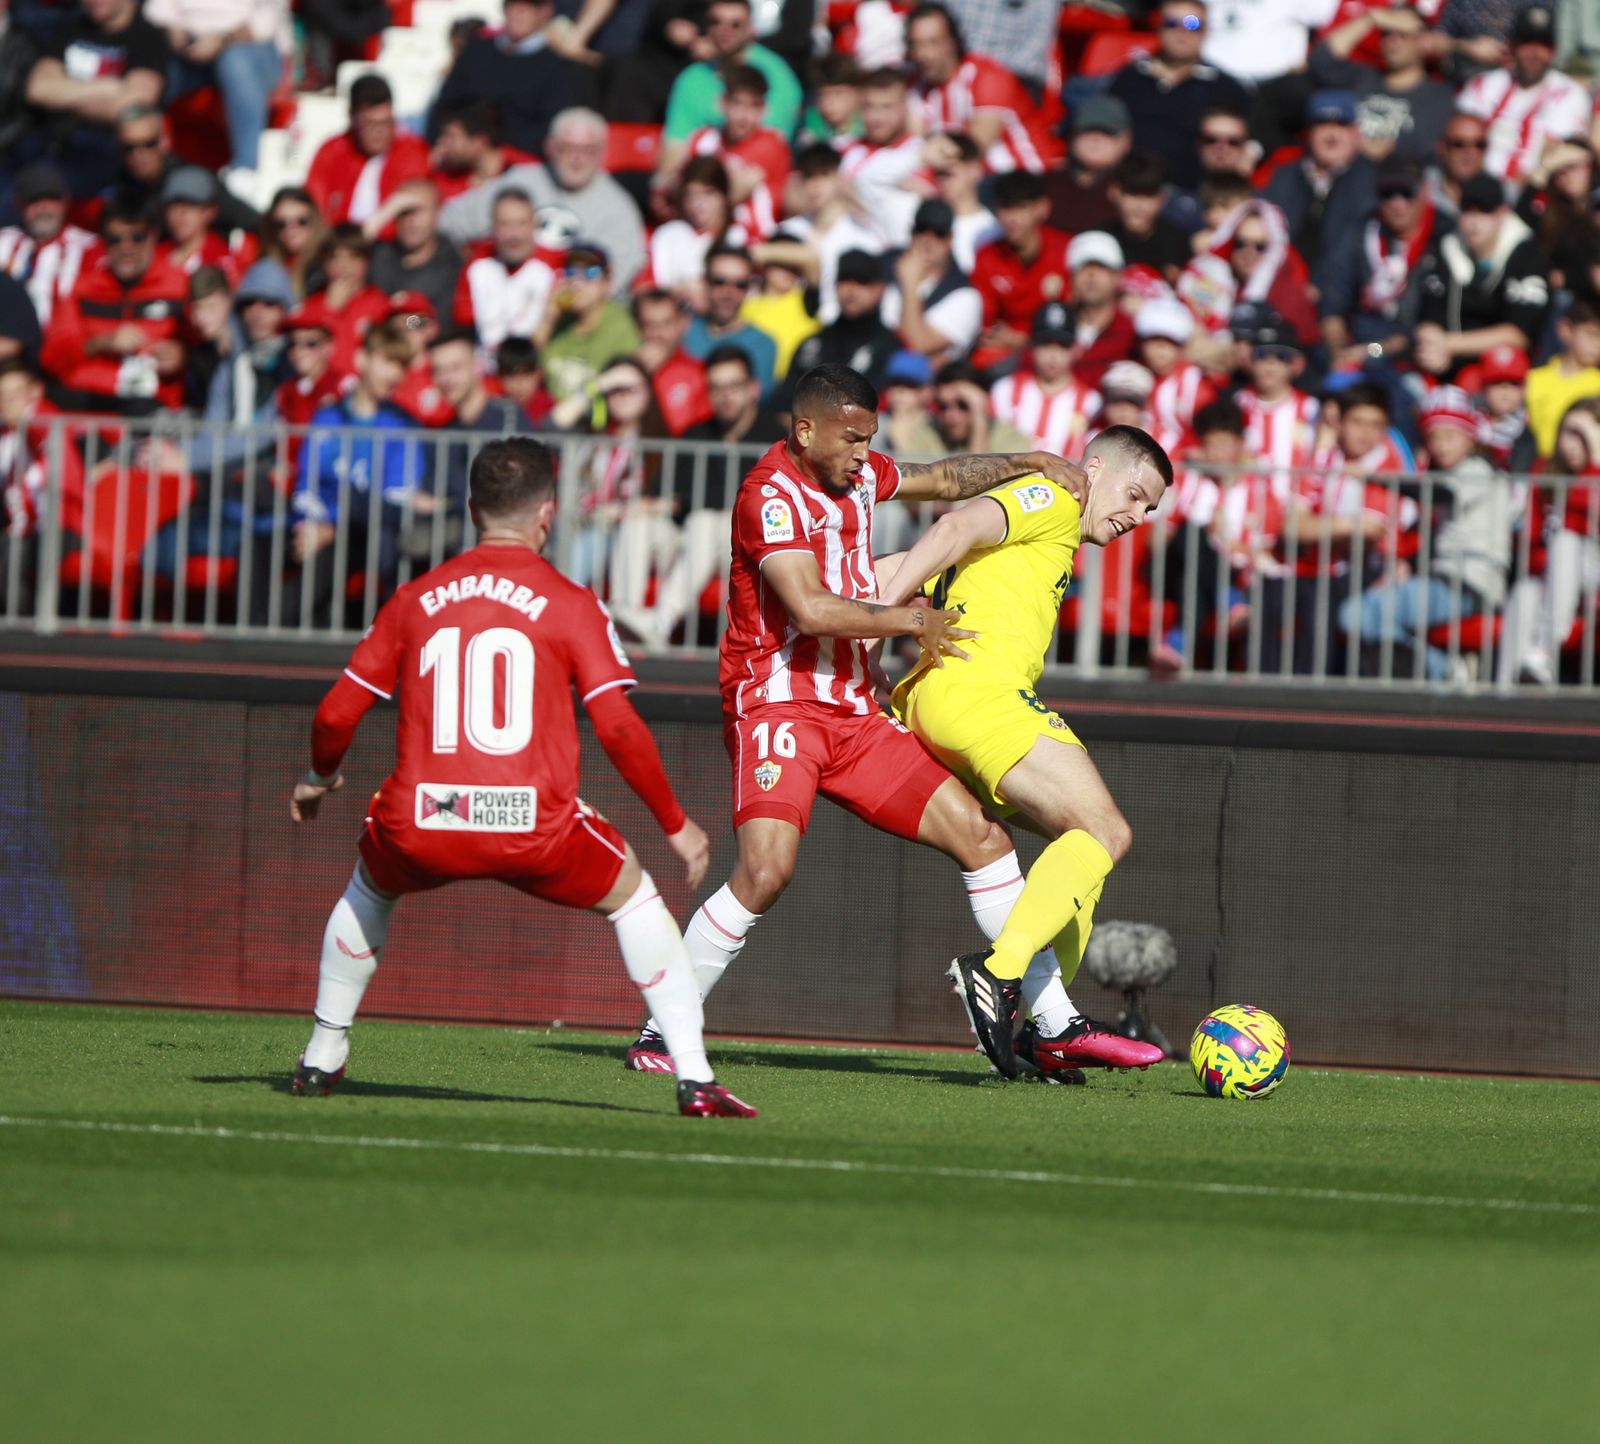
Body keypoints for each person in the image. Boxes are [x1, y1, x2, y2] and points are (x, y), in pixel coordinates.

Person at [623, 363, 1116, 1080]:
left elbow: (942, 480)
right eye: (852, 440)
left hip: (854, 711)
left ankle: (1052, 1023)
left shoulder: (854, 473)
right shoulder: (769, 496)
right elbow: (811, 609)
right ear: (804, 429)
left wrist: (1026, 461)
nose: (864, 454)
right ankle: (662, 1030)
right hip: (778, 701)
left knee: (982, 837)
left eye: (870, 440)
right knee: (765, 871)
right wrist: (912, 619)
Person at [287, 436, 755, 1118]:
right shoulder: (569, 602)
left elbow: (336, 712)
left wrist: (316, 777)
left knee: (370, 883)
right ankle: (693, 1074)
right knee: (634, 899)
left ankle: (322, 1052)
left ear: (473, 508)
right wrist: (676, 825)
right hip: (530, 823)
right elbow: (619, 728)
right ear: (548, 514)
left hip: (428, 817)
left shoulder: (416, 598)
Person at [877, 425, 1172, 1079]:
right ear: (1092, 467)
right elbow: (955, 527)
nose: (1138, 516)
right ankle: (998, 974)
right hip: (978, 697)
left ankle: (1050, 1027)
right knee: (1107, 829)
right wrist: (882, 620)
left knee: (1085, 851)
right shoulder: (1057, 495)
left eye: (1151, 509)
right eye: (1134, 494)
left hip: (944, 701)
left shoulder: (1057, 532)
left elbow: (915, 563)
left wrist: (877, 612)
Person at [1338, 386, 1510, 682]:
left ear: (1470, 437)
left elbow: (1440, 495)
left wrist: (1375, 478)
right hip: (1441, 579)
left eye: (1450, 436)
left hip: (1468, 583)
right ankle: (1448, 667)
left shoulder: (1478, 468)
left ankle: (1446, 669)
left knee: (1358, 615)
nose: (1441, 445)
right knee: (1359, 617)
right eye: (1434, 437)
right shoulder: (1446, 473)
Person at [437, 108, 646, 296]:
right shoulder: (521, 180)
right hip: (506, 298)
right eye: (568, 148)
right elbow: (450, 222)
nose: (577, 158)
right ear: (550, 147)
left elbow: (614, 281)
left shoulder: (618, 207)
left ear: (602, 153)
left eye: (588, 150)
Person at [41, 192, 187, 416]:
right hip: (89, 410)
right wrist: (100, 343)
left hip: (152, 412)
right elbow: (52, 359)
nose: (125, 248)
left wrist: (182, 357)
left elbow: (205, 353)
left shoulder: (180, 286)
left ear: (153, 236)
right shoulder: (82, 289)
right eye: (115, 239)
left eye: (136, 237)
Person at [1412, 174, 1550, 382]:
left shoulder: (1527, 253)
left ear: (1502, 213)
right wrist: (1433, 348)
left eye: (1485, 212)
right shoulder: (1448, 248)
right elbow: (1428, 316)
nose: (1474, 222)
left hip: (1504, 375)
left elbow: (1518, 334)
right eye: (1467, 211)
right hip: (1444, 362)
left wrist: (1448, 345)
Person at [25, 0, 168, 199]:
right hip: (55, 142)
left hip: (110, 150)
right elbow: (37, 89)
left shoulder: (147, 35)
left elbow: (133, 108)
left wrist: (63, 94)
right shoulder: (72, 25)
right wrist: (108, 87)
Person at [1107, 0, 1251, 193]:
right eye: (1172, 23)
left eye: (1193, 24)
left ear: (1206, 32)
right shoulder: (1130, 77)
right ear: (1158, 27)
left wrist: (1250, 153)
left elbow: (1261, 132)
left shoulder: (1225, 88)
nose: (1182, 32)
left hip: (1194, 196)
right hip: (1130, 191)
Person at [904, 1, 1057, 174]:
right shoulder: (916, 85)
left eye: (933, 43)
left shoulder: (988, 77)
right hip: (966, 184)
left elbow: (973, 149)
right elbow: (912, 140)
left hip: (1024, 180)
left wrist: (922, 154)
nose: (924, 54)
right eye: (916, 44)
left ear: (952, 41)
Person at [142, 0, 288, 182]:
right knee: (154, 64)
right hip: (191, 46)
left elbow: (266, 22)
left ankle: (245, 170)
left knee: (234, 62)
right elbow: (155, 8)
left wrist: (221, 41)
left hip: (251, 49)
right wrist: (174, 28)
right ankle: (145, 156)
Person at [429, 0, 596, 159]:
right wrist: (449, 141)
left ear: (546, 10)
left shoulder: (559, 68)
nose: (519, 10)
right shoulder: (476, 51)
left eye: (531, 4)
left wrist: (493, 152)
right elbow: (443, 107)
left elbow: (550, 130)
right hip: (458, 157)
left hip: (517, 165)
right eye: (513, 2)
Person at [1309, 2, 1455, 166]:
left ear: (1423, 41)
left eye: (1402, 34)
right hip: (1347, 176)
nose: (1393, 41)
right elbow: (1321, 61)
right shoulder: (1363, 77)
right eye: (1387, 33)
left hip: (1399, 183)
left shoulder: (1438, 96)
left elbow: (1430, 147)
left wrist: (1391, 150)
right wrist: (1370, 19)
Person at [1458, 3, 1589, 185]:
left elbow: (1554, 158)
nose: (1535, 53)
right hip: (1473, 187)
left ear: (1555, 51)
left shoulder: (1570, 94)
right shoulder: (1482, 86)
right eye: (1527, 44)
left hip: (1532, 197)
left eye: (1544, 45)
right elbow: (1461, 143)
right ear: (1511, 46)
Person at [969, 170, 1071, 374]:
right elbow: (986, 326)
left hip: (1060, 349)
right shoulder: (987, 257)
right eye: (1006, 209)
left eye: (1022, 208)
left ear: (1042, 208)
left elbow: (1077, 317)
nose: (1013, 219)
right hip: (1005, 353)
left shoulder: (1067, 252)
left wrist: (1022, 340)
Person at [662, 0, 801, 144]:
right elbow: (675, 145)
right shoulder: (692, 78)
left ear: (750, 28)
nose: (724, 30)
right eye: (715, 22)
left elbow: (774, 143)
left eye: (735, 24)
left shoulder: (776, 75)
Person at [305, 75, 430, 229]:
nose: (379, 133)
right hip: (340, 243)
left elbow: (417, 209)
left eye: (386, 123)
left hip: (393, 247)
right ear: (352, 117)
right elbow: (314, 208)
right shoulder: (332, 151)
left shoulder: (411, 150)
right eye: (370, 124)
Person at [451, 187, 562, 360]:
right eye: (506, 224)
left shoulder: (557, 266)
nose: (514, 235)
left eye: (521, 224)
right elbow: (464, 326)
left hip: (535, 371)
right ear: (493, 227)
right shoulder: (476, 266)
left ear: (535, 225)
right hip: (485, 372)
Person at [990, 302, 1101, 460]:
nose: (1053, 355)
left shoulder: (1092, 402)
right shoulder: (1004, 391)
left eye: (1062, 345)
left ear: (1076, 349)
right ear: (1032, 346)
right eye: (1045, 344)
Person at [882, 199, 981, 368]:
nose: (928, 240)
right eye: (921, 230)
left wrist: (910, 285)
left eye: (938, 233)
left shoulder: (965, 296)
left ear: (950, 239)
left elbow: (915, 344)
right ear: (911, 232)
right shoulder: (884, 268)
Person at [538, 242, 642, 401]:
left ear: (607, 283)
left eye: (590, 273)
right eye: (571, 272)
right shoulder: (558, 320)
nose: (577, 282)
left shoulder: (622, 326)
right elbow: (526, 371)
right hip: (551, 418)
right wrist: (548, 319)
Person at [0, 163, 98, 330]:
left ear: (66, 201)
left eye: (52, 199)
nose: (43, 209)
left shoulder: (89, 248)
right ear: (18, 204)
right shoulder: (4, 242)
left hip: (64, 347)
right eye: (34, 201)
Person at [786, 249, 897, 395]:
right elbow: (783, 400)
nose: (851, 290)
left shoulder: (891, 349)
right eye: (844, 280)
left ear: (879, 289)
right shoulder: (814, 344)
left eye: (861, 282)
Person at [684, 243, 779, 395]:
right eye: (719, 281)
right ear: (704, 282)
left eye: (740, 284)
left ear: (750, 287)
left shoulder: (764, 345)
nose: (729, 292)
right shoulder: (683, 330)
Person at [368, 181, 462, 327]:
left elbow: (437, 322)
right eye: (403, 212)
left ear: (437, 214)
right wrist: (382, 215)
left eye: (418, 211)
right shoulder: (380, 253)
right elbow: (340, 256)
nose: (410, 220)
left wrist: (399, 323)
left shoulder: (451, 262)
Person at [1046, 95, 1132, 236]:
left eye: (1107, 132)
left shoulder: (1136, 186)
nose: (1096, 139)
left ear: (1126, 141)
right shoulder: (1048, 183)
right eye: (1088, 130)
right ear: (1073, 135)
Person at [1525, 300, 1600, 458]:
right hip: (1539, 472)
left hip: (1589, 477)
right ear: (1565, 329)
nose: (1598, 344)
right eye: (1592, 334)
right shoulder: (1534, 380)